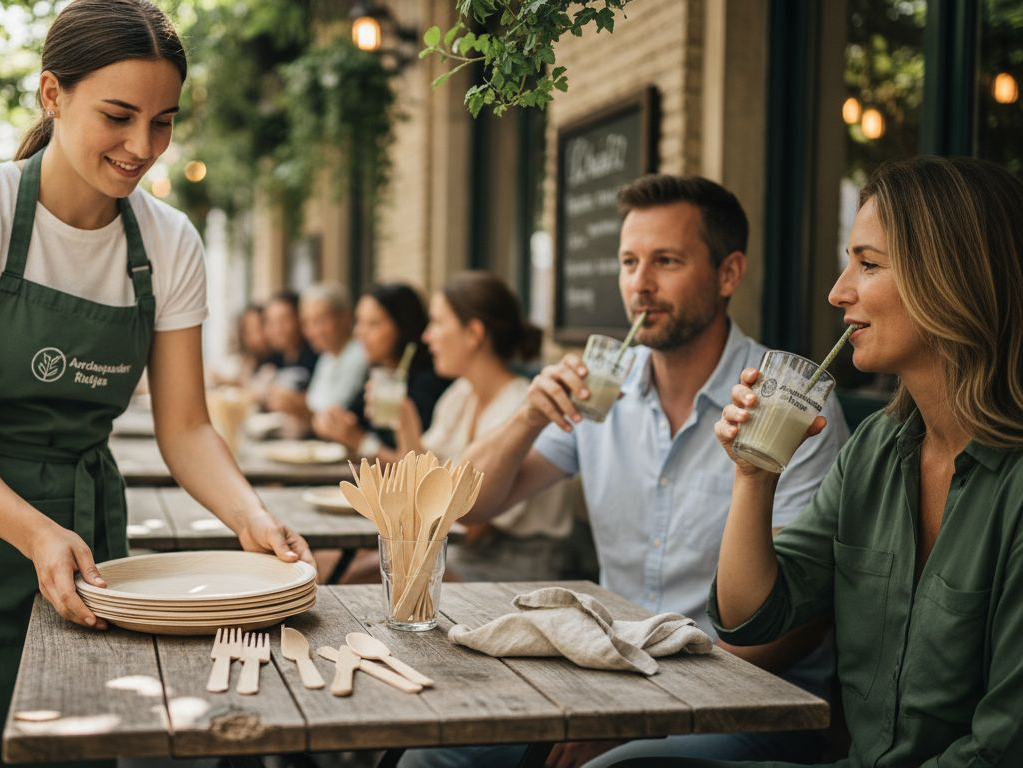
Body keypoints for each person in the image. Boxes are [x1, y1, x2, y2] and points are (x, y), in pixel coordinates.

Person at [0, 3, 312, 766]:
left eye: (162, 122)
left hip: (87, 561)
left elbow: (186, 427)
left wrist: (250, 517)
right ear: (52, 95)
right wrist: (33, 533)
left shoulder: (169, 243)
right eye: (119, 116)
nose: (141, 148)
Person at [401, 175, 848, 768]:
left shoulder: (783, 406)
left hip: (752, 698)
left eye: (666, 261)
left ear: (728, 273)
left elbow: (797, 623)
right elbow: (463, 505)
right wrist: (528, 417)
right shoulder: (601, 391)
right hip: (611, 674)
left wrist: (644, 721)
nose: (640, 284)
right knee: (435, 752)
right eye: (629, 262)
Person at [639, 156, 1023, 768]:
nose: (838, 291)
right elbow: (749, 621)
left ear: (952, 279)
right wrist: (754, 476)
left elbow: (1002, 746)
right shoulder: (876, 450)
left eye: (867, 265)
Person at [394, 271, 573, 581]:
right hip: (461, 548)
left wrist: (404, 429)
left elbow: (470, 523)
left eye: (437, 323)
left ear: (474, 333)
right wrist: (402, 424)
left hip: (515, 565)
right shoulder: (460, 396)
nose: (426, 337)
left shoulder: (521, 406)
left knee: (373, 574)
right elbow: (421, 485)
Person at [313, 282, 451, 462]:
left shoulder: (426, 384)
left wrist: (359, 441)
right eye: (359, 322)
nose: (359, 333)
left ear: (402, 326)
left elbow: (413, 467)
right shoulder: (379, 373)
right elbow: (352, 420)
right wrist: (331, 422)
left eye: (373, 324)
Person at [266, 283, 367, 427]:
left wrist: (299, 407)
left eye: (320, 321)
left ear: (344, 318)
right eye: (307, 323)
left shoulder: (359, 355)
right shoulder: (327, 358)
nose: (313, 331)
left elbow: (335, 418)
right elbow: (315, 404)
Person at [259, 289, 318, 401]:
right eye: (271, 322)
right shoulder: (274, 359)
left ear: (300, 319)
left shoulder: (316, 355)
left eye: (283, 320)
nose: (277, 329)